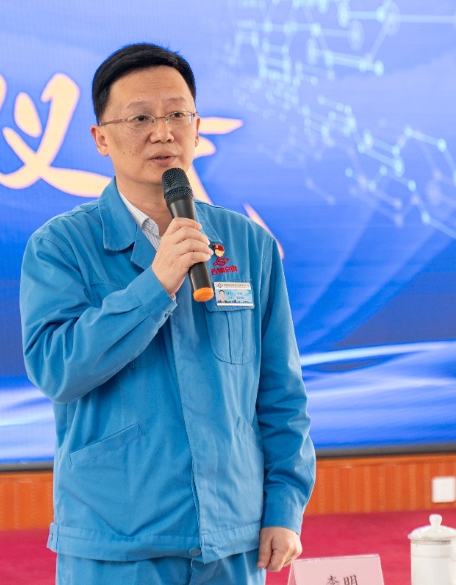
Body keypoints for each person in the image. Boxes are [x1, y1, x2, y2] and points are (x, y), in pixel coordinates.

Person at [20, 42, 315, 585]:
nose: (163, 132)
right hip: (117, 541)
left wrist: (284, 506)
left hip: (232, 537)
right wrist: (155, 285)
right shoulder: (61, 246)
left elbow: (281, 392)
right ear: (101, 138)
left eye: (178, 114)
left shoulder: (248, 245)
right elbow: (57, 370)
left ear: (197, 128)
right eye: (140, 118)